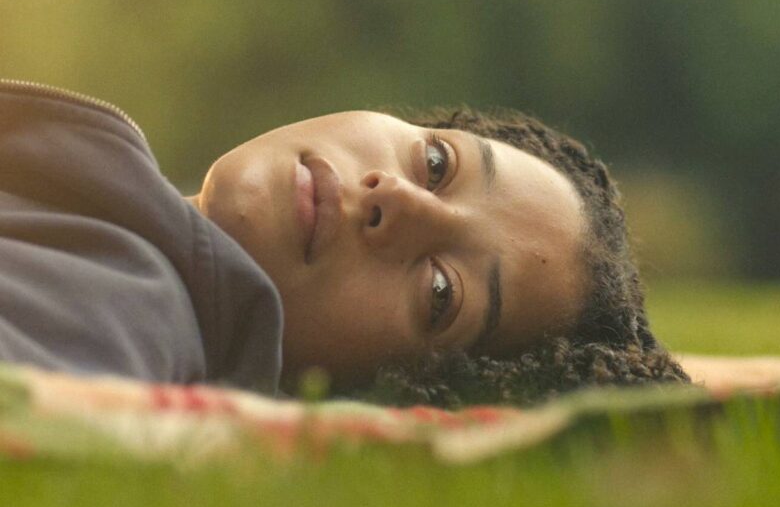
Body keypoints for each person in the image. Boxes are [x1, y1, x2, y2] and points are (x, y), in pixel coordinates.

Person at [0, 80, 687, 407]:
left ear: (401, 384)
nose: (399, 200)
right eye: (437, 164)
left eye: (441, 293)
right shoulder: (103, 204)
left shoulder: (125, 308)